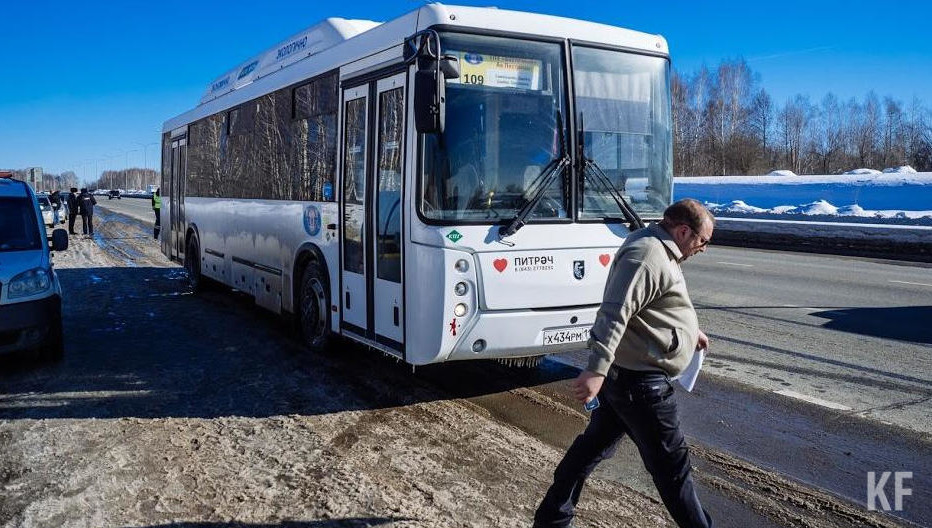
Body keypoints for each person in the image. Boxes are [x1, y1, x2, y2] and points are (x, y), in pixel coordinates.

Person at [534, 199, 715, 528]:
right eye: (703, 241)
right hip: (642, 387)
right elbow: (615, 312)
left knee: (589, 452)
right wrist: (596, 369)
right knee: (674, 474)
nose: (703, 249)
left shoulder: (660, 250)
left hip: (630, 382)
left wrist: (690, 332)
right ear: (684, 230)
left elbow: (652, 304)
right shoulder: (647, 255)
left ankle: (551, 519)